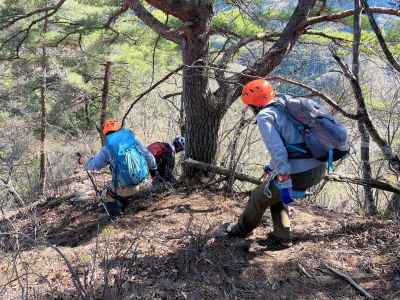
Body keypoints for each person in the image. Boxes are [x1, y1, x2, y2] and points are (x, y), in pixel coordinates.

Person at [226, 79, 326, 249]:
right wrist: (272, 170)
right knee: (275, 193)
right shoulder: (285, 104)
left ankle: (241, 229)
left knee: (258, 197)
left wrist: (284, 182)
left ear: (254, 105)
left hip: (302, 173)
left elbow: (279, 152)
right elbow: (294, 146)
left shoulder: (265, 116)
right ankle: (282, 236)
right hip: (319, 166)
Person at [79, 119, 158, 218]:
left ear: (106, 133)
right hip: (144, 182)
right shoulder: (133, 139)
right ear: (120, 129)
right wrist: (154, 172)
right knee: (121, 189)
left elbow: (94, 165)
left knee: (105, 195)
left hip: (126, 188)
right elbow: (149, 156)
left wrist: (84, 162)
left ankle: (116, 219)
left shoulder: (108, 149)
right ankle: (126, 204)